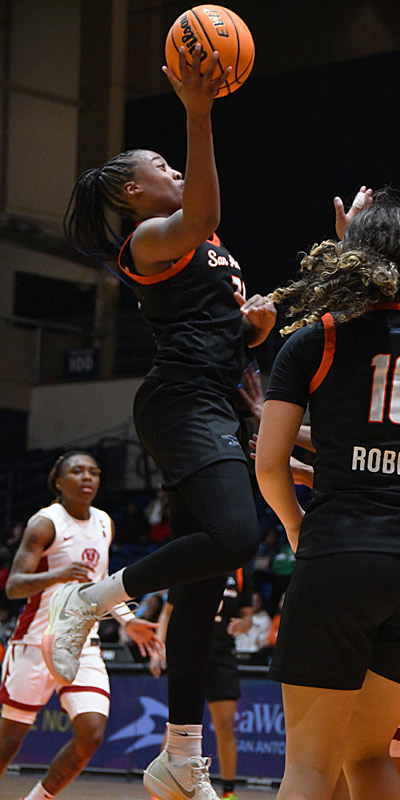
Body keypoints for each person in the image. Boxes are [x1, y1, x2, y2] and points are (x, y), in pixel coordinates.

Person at [42, 45, 276, 800]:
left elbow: (222, 328)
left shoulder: (200, 244)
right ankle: (99, 597)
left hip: (212, 399)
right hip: (182, 405)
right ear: (131, 195)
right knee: (239, 536)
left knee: (206, 589)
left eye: (176, 163)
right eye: (161, 167)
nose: (174, 171)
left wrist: (254, 327)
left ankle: (179, 756)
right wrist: (198, 113)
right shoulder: (144, 242)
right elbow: (203, 207)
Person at [255, 187, 400, 799]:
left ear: (351, 255)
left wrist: (295, 525)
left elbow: (269, 465)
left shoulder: (318, 339)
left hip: (340, 553)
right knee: (370, 758)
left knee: (311, 769)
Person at [0, 451, 161, 800]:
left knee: (91, 734)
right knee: (8, 741)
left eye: (94, 471)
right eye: (77, 471)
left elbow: (101, 585)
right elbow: (14, 585)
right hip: (33, 643)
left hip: (83, 646)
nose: (87, 477)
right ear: (59, 481)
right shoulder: (45, 522)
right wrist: (57, 574)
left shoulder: (104, 522)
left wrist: (129, 621)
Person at [149, 569, 253, 800]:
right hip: (189, 650)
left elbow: (248, 617)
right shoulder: (195, 560)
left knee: (225, 726)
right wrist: (159, 651)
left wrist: (243, 624)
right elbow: (168, 613)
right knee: (178, 725)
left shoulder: (241, 571)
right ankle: (161, 789)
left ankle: (228, 792)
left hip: (222, 655)